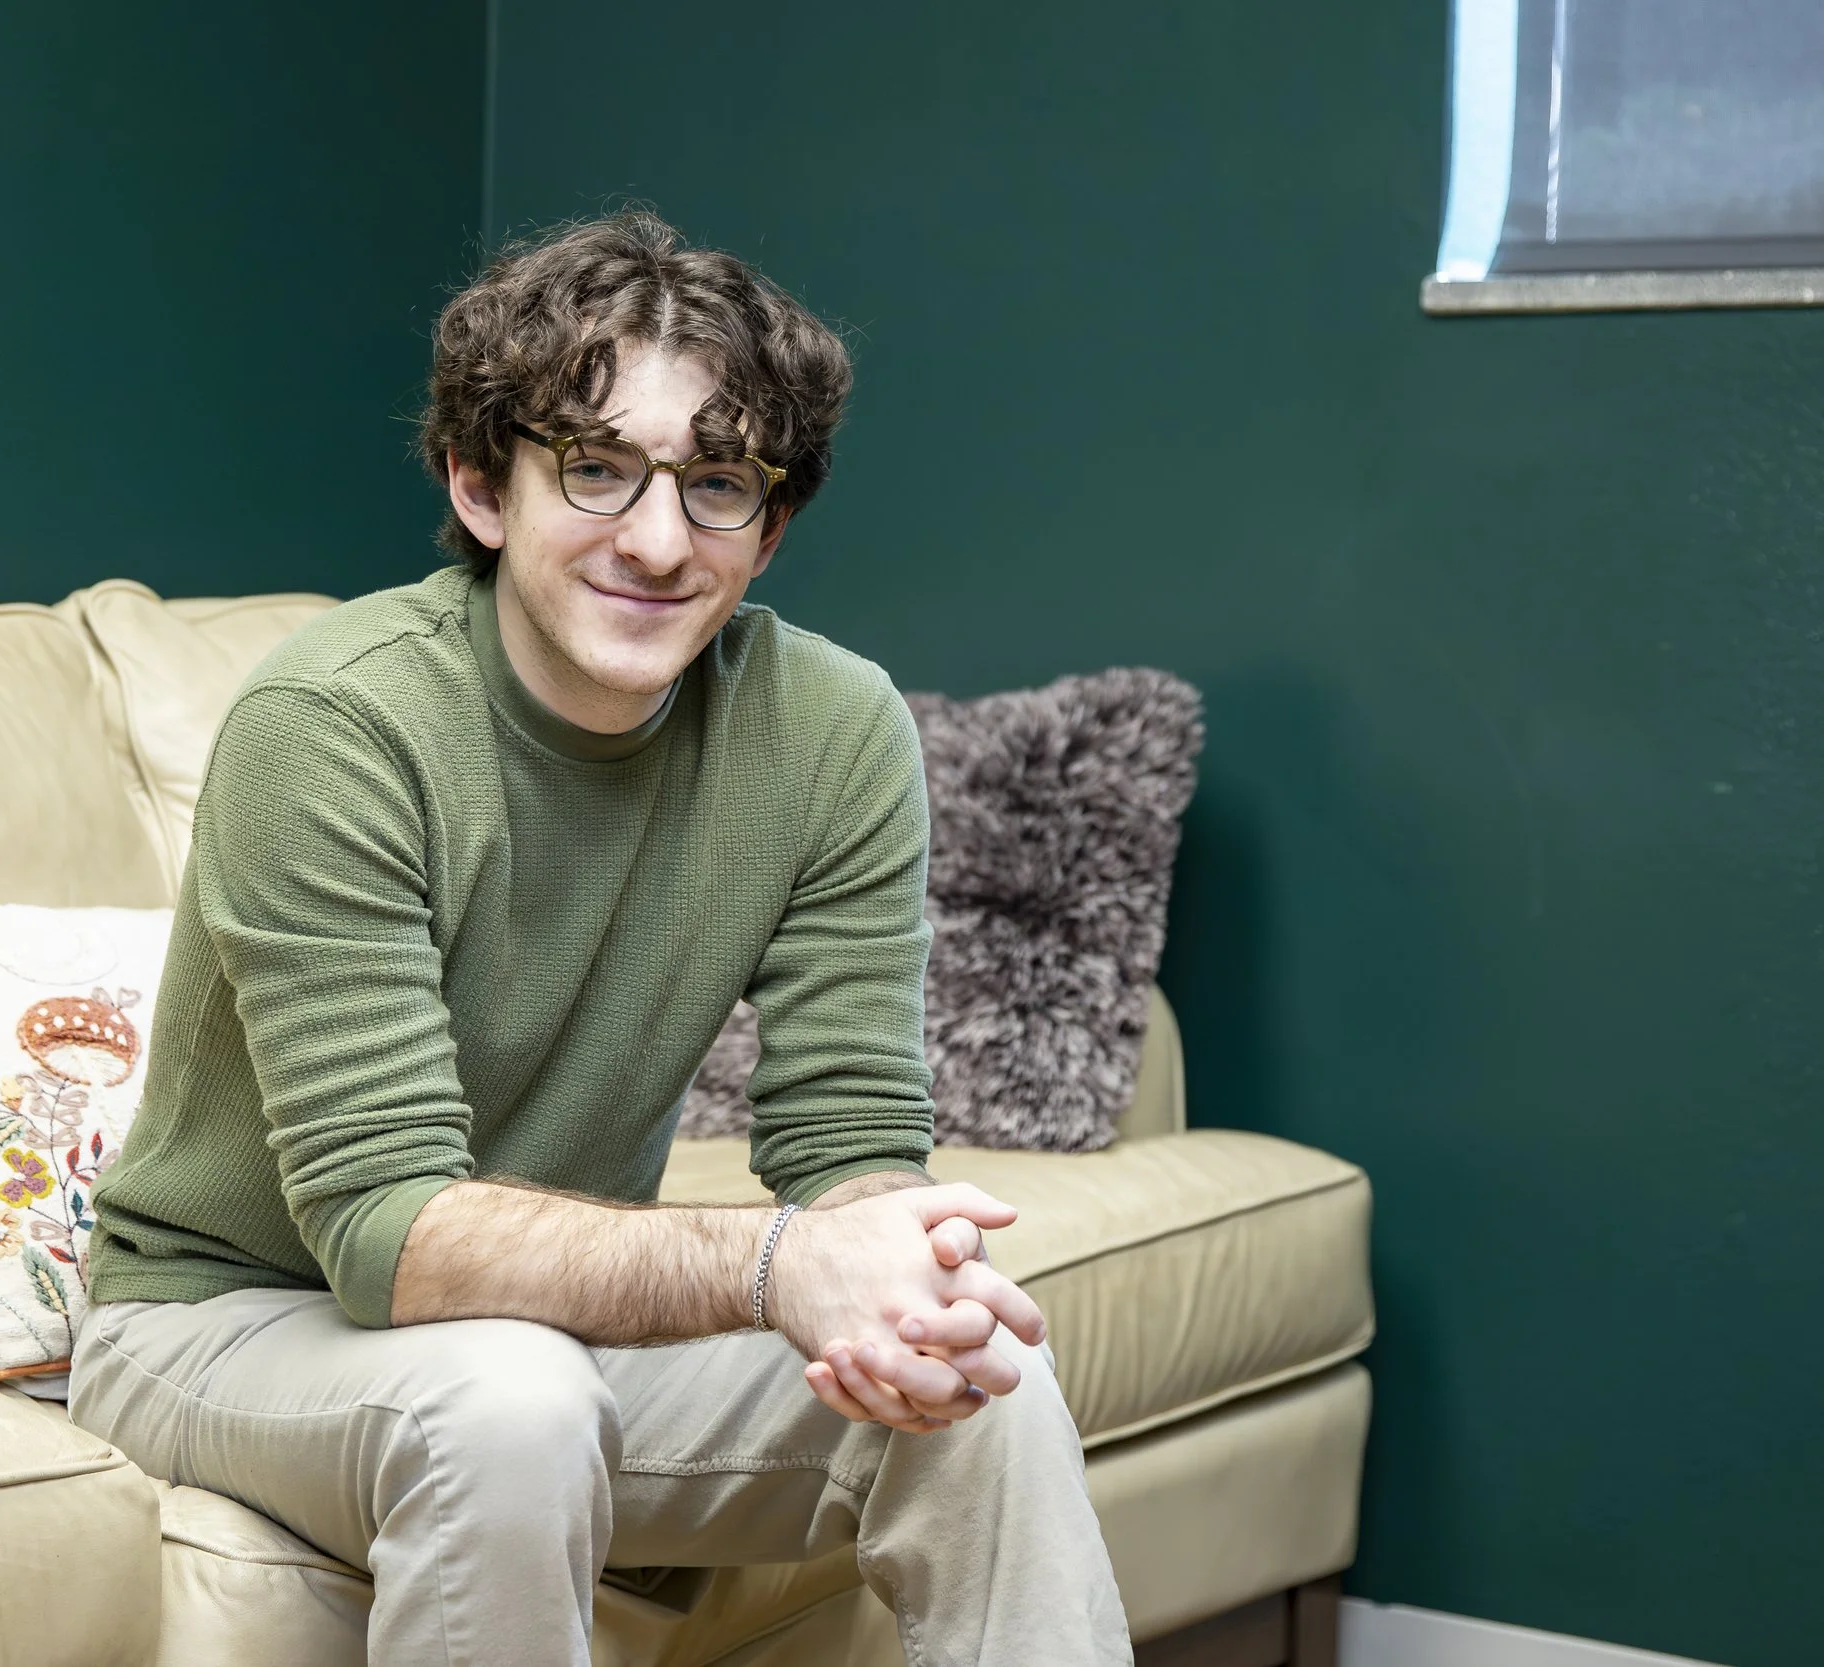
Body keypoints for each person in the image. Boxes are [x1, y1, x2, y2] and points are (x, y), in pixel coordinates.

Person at [74, 210, 1132, 1665]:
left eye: (716, 484)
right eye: (595, 466)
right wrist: (776, 1268)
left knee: (977, 1381)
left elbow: (850, 1139)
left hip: (547, 1335)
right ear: (480, 482)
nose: (654, 538)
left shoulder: (832, 731)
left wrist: (893, 1271)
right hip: (224, 1324)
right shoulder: (336, 726)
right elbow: (384, 1233)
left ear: (772, 525)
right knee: (510, 1401)